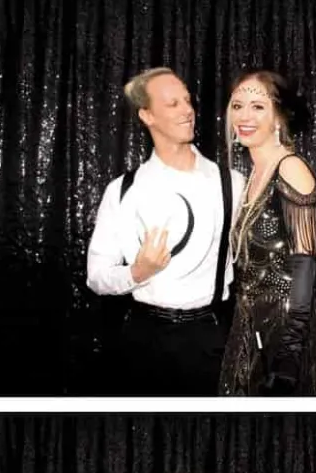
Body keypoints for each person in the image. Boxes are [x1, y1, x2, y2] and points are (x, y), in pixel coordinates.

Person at [87, 68, 244, 395]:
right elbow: (96, 277)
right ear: (147, 115)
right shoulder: (122, 190)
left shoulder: (232, 183)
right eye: (173, 104)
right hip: (144, 339)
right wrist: (138, 272)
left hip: (211, 337)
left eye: (187, 101)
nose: (188, 110)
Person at [220, 71, 316, 396]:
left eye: (257, 106)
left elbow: (305, 263)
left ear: (279, 117)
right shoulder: (251, 175)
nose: (244, 116)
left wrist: (289, 355)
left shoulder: (290, 168)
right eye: (237, 105)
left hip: (285, 331)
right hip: (249, 324)